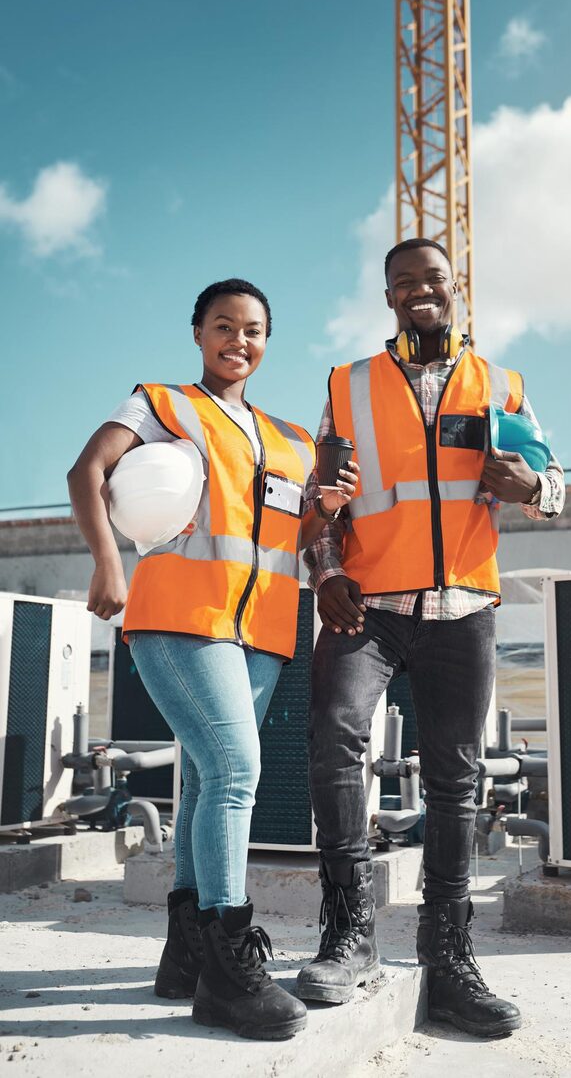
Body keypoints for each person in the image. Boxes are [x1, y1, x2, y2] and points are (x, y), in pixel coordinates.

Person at [67, 278, 359, 1041]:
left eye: (254, 329)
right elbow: (86, 471)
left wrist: (325, 511)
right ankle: (231, 964)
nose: (240, 340)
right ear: (198, 331)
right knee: (235, 772)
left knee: (203, 778)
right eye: (224, 325)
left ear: (267, 341)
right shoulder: (165, 404)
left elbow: (295, 536)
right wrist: (107, 563)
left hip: (261, 632)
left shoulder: (293, 439)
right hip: (178, 618)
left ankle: (185, 954)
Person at [296, 239, 565, 1038]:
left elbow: (555, 483)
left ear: (457, 290)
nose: (421, 291)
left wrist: (533, 489)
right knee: (335, 736)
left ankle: (447, 955)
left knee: (456, 777)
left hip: (463, 611)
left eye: (434, 280)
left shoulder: (502, 385)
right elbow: (318, 507)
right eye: (404, 281)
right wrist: (323, 568)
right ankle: (348, 934)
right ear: (388, 297)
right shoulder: (347, 387)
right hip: (366, 607)